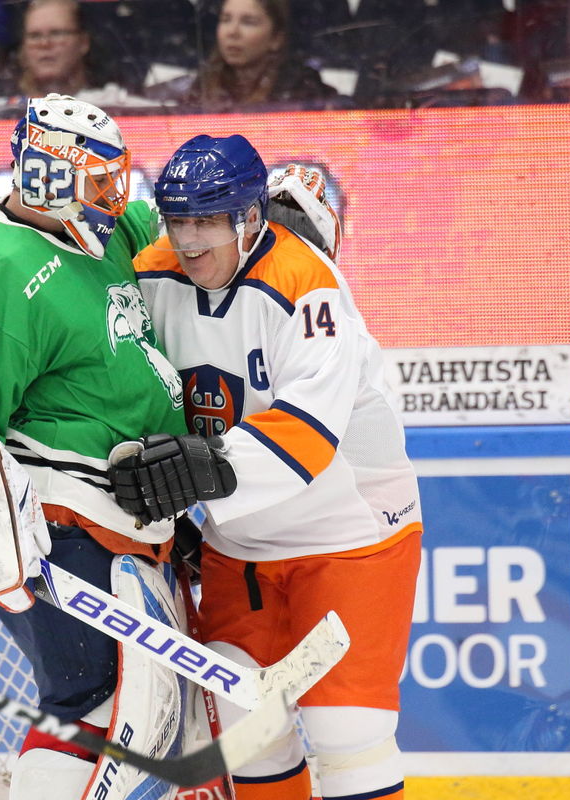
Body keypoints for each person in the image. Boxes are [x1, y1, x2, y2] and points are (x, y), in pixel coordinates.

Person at [0, 93, 221, 800]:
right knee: (92, 710)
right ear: (47, 177)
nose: (116, 194)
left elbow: (175, 221)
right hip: (64, 531)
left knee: (149, 727)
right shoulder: (6, 269)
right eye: (99, 181)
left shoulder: (101, 227)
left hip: (131, 527)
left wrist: (261, 207)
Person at [117, 134, 423, 799]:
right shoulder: (152, 273)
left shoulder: (309, 289)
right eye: (180, 221)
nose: (191, 241)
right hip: (241, 546)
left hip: (349, 539)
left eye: (208, 220)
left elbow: (307, 435)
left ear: (250, 218)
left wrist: (196, 472)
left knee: (349, 729)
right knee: (243, 726)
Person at [148, 0, 338, 111]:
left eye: (249, 22)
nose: (232, 32)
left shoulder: (305, 92)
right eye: (226, 20)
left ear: (276, 39)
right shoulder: (201, 86)